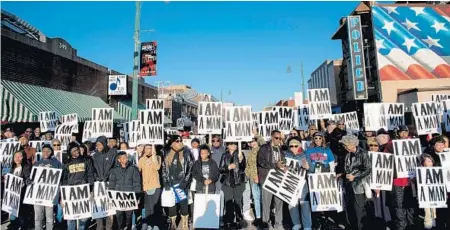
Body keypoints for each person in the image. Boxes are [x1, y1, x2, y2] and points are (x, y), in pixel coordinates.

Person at [384, 125, 417, 230]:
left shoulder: (413, 143)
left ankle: (411, 225)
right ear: (398, 133)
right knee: (399, 205)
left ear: (408, 133)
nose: (403, 134)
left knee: (411, 204)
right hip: (397, 180)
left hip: (410, 180)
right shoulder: (391, 144)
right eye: (401, 132)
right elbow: (385, 160)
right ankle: (401, 226)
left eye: (405, 132)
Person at [340, 134, 371, 230]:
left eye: (346, 145)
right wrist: (342, 175)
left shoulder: (363, 154)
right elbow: (347, 169)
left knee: (359, 210)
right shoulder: (347, 154)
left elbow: (368, 169)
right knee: (350, 209)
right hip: (349, 185)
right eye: (344, 145)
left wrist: (355, 177)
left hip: (359, 186)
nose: (345, 147)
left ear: (353, 144)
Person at [162, 135, 193, 230]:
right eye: (177, 140)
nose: (179, 142)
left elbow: (190, 168)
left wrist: (185, 182)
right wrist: (166, 182)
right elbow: (164, 169)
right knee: (172, 205)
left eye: (180, 140)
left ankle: (184, 223)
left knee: (183, 204)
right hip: (171, 183)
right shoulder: (167, 152)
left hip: (182, 183)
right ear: (172, 142)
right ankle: (173, 223)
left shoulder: (187, 152)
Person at [61, 142, 95, 230]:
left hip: (84, 191)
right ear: (70, 152)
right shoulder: (66, 163)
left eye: (77, 149)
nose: (77, 151)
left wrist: (91, 190)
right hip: (70, 192)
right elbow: (64, 179)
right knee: (71, 219)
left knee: (83, 218)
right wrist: (63, 196)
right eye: (74, 150)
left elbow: (90, 175)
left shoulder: (87, 160)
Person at [257, 130, 286, 229]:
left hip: (278, 179)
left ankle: (279, 223)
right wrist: (275, 165)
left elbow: (283, 162)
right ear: (272, 137)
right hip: (266, 179)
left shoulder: (281, 150)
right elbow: (261, 162)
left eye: (280, 138)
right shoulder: (264, 148)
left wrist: (284, 166)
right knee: (266, 203)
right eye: (277, 138)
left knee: (279, 203)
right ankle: (266, 223)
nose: (278, 140)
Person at [109, 151, 142, 230]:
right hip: (118, 197)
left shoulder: (133, 169)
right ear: (119, 160)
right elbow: (111, 185)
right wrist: (111, 197)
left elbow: (137, 183)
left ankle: (129, 228)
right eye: (123, 158)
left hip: (129, 197)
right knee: (119, 216)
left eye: (126, 157)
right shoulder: (114, 170)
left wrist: (137, 197)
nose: (125, 159)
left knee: (129, 216)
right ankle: (120, 228)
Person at [285, 137, 312, 230]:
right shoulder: (286, 154)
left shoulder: (304, 155)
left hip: (302, 184)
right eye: (291, 146)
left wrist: (308, 167)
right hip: (290, 182)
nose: (293, 148)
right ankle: (296, 223)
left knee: (304, 204)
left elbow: (311, 169)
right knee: (292, 203)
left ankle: (307, 225)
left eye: (295, 146)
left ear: (299, 146)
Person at [33, 144, 62, 230]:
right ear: (41, 152)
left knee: (49, 218)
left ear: (51, 153)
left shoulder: (57, 163)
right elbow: (32, 178)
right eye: (44, 151)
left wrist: (58, 194)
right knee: (38, 217)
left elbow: (60, 179)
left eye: (48, 151)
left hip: (50, 195)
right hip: (38, 195)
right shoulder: (36, 164)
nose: (45, 152)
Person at [219, 141, 246, 228]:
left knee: (238, 201)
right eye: (231, 144)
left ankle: (238, 219)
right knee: (228, 202)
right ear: (227, 145)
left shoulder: (240, 154)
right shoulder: (224, 155)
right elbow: (220, 169)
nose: (233, 146)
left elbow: (243, 167)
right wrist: (228, 167)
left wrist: (241, 160)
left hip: (238, 182)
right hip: (227, 182)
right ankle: (229, 220)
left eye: (235, 144)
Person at [92, 136, 117, 230]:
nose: (98, 146)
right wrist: (97, 178)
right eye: (97, 144)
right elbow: (93, 169)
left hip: (110, 182)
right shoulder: (95, 155)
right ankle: (99, 226)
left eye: (100, 144)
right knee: (99, 205)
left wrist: (109, 177)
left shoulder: (113, 152)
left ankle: (109, 227)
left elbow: (115, 167)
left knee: (109, 206)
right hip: (98, 184)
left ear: (104, 143)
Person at [138, 144, 162, 230]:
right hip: (145, 187)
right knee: (147, 207)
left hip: (155, 185)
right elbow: (139, 171)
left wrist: (154, 157)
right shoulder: (141, 159)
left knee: (154, 207)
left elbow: (157, 167)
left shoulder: (157, 157)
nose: (149, 150)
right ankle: (149, 224)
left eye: (150, 148)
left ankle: (155, 224)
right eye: (147, 148)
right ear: (144, 149)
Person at [245, 134, 265, 226]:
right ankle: (258, 217)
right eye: (250, 142)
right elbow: (249, 166)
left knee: (263, 198)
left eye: (254, 141)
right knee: (256, 198)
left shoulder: (261, 149)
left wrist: (256, 134)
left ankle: (265, 218)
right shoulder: (249, 152)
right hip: (253, 178)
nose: (252, 143)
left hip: (261, 177)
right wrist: (249, 175)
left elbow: (263, 142)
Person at [9, 151, 32, 230]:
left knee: (22, 217)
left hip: (22, 195)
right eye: (16, 156)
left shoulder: (26, 167)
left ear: (23, 157)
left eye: (20, 156)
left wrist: (24, 182)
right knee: (13, 218)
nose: (17, 158)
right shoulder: (12, 167)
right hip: (13, 196)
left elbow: (28, 179)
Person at [420, 154, 437, 229]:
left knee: (434, 210)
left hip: (434, 193)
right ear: (423, 163)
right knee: (427, 212)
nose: (430, 163)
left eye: (431, 161)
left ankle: (433, 223)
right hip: (425, 195)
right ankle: (427, 225)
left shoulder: (437, 171)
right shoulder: (420, 171)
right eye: (428, 161)